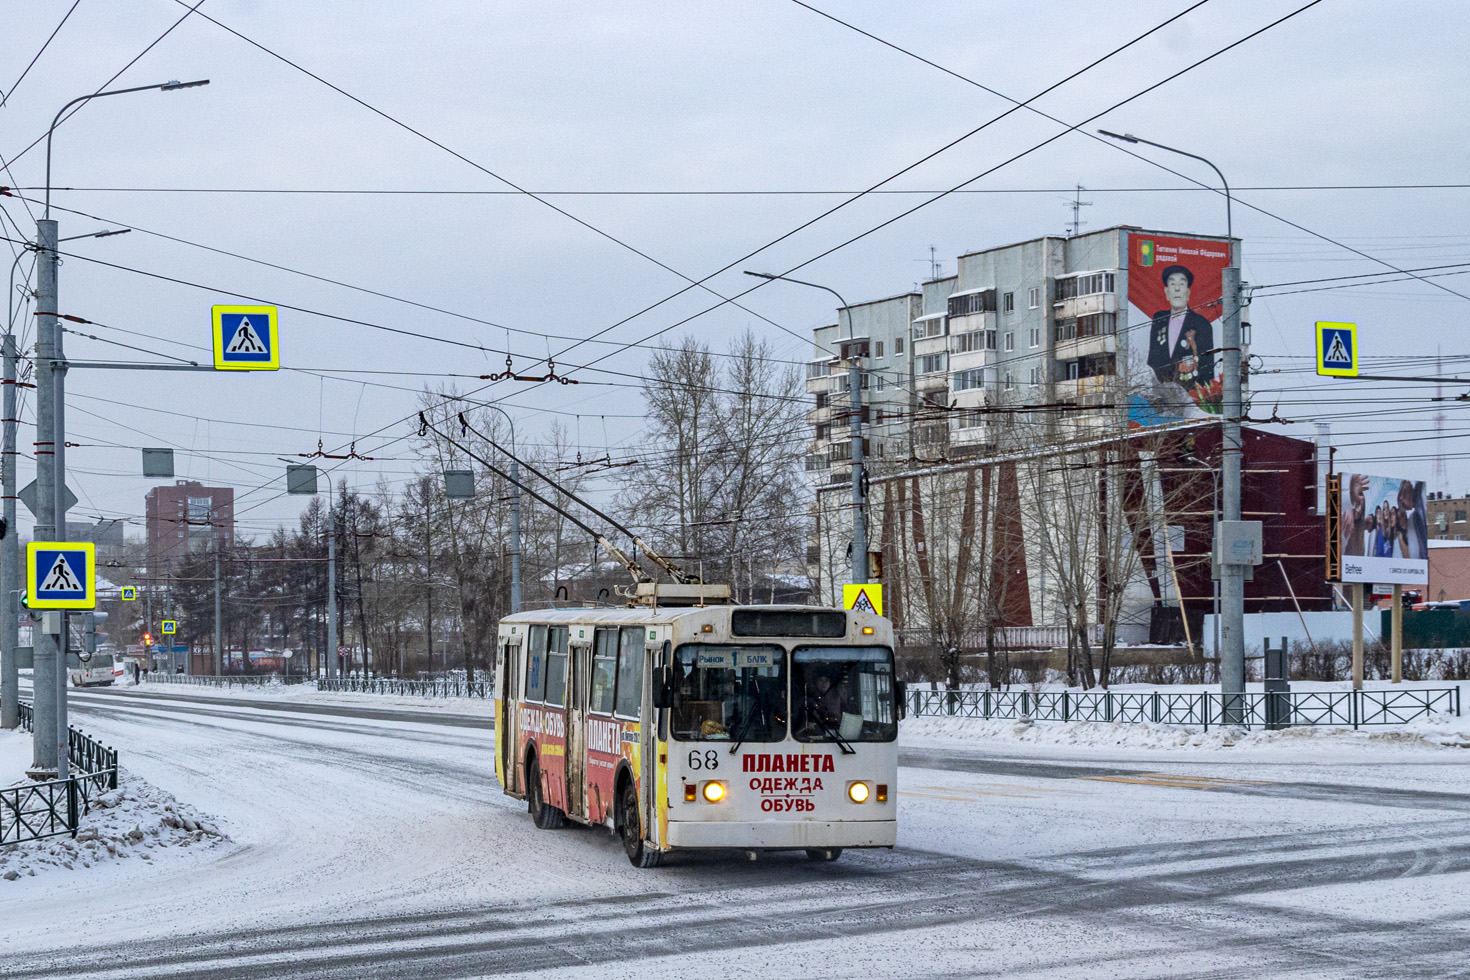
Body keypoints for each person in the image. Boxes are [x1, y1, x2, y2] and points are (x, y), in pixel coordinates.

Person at [1146, 264, 1216, 393]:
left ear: (1188, 292)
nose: (1177, 289)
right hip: (1160, 396)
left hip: (1190, 396)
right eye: (1172, 284)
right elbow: (1152, 359)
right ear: (1166, 292)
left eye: (1182, 284)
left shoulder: (1202, 324)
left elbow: (1207, 368)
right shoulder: (1158, 319)